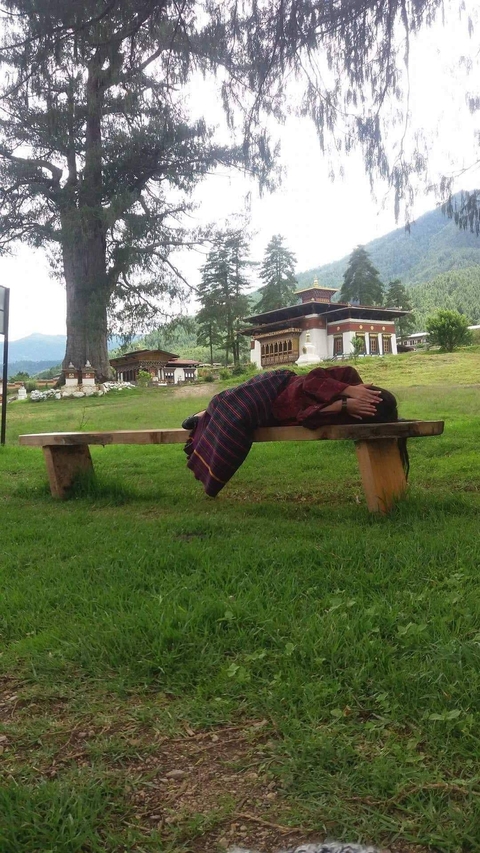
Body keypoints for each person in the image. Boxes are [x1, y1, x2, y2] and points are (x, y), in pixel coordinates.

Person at [182, 366, 407, 497]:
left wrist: (343, 406)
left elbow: (306, 418)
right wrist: (347, 391)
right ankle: (203, 415)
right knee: (234, 409)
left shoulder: (349, 415)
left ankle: (204, 416)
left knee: (235, 422)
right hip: (278, 386)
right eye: (368, 397)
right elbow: (311, 380)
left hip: (278, 412)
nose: (363, 402)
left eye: (368, 408)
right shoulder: (349, 377)